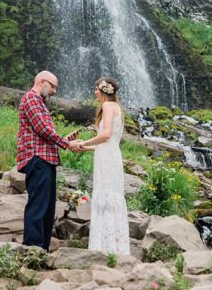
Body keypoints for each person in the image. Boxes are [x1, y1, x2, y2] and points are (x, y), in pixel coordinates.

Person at [17, 71, 81, 250]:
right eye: (53, 86)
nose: (54, 91)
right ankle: (32, 249)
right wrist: (66, 143)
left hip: (46, 160)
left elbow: (43, 134)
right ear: (42, 82)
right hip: (37, 159)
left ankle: (41, 249)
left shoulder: (40, 103)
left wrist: (64, 139)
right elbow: (43, 129)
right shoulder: (31, 98)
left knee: (47, 208)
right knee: (38, 206)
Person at [75, 77, 130, 255]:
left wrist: (84, 141)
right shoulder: (117, 108)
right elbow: (109, 142)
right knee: (111, 196)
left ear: (105, 90)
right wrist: (86, 147)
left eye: (96, 88)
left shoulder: (107, 106)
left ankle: (103, 247)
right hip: (111, 154)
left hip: (107, 158)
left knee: (106, 194)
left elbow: (105, 135)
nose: (94, 92)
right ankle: (116, 245)